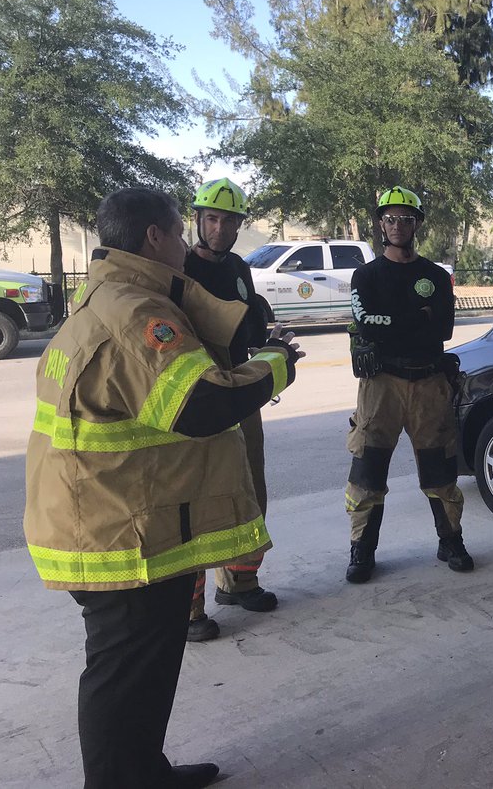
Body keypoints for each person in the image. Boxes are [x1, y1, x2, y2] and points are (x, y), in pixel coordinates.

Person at [23, 187, 303, 789]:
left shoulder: (109, 295)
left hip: (118, 519)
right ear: (154, 236)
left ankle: (143, 770)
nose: (185, 243)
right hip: (116, 531)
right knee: (123, 674)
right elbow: (201, 404)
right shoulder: (134, 311)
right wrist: (278, 364)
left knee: (144, 670)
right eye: (179, 231)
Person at [343, 186, 470, 583]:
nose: (398, 225)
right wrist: (416, 319)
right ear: (380, 223)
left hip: (430, 382)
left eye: (406, 219)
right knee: (367, 473)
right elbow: (366, 322)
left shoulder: (434, 276)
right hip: (381, 385)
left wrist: (392, 322)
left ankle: (450, 540)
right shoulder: (366, 275)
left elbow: (444, 328)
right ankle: (362, 551)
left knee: (441, 472)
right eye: (391, 218)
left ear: (417, 224)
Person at [183, 178, 279, 642]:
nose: (221, 229)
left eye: (231, 221)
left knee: (248, 484)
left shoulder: (240, 267)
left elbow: (243, 323)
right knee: (198, 497)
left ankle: (240, 581)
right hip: (197, 388)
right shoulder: (177, 267)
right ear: (198, 220)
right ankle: (189, 608)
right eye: (213, 219)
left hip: (239, 385)